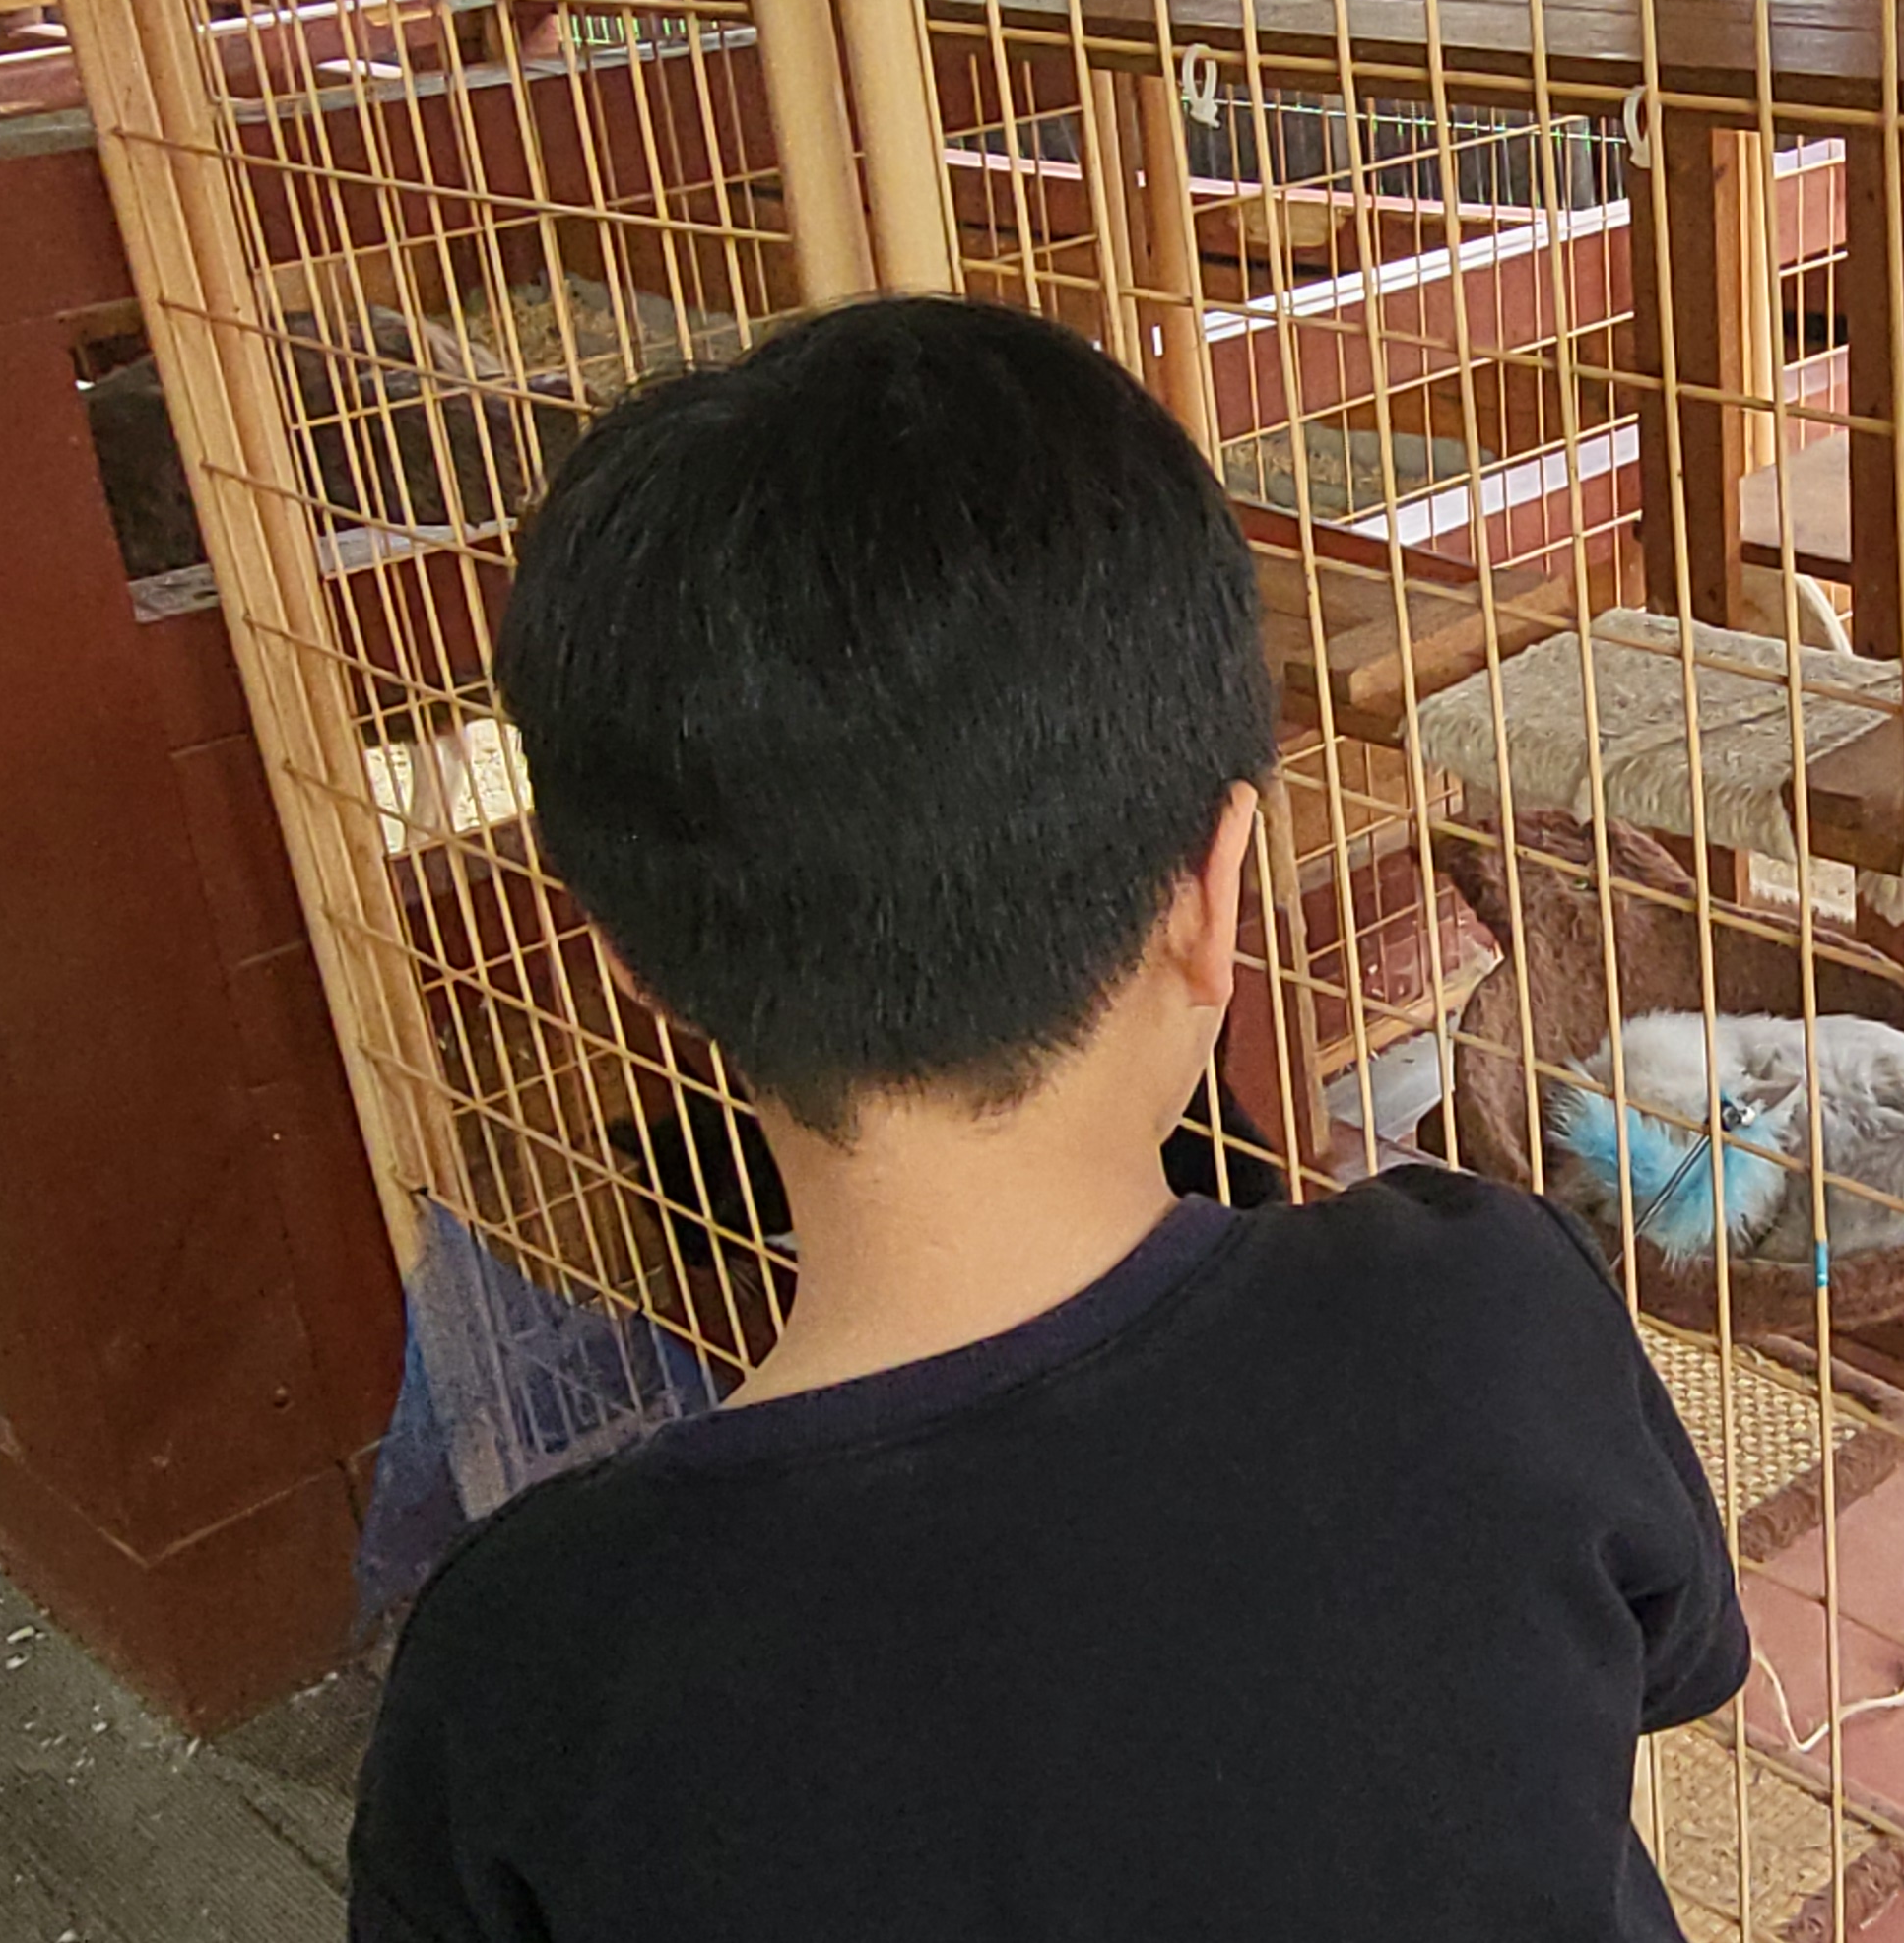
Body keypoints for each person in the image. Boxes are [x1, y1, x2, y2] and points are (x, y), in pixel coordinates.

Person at [349, 297, 1747, 1942]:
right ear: (1217, 892)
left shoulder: (523, 1667)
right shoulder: (1487, 1312)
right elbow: (1671, 1661)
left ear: (637, 969)